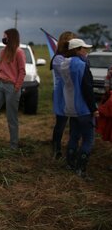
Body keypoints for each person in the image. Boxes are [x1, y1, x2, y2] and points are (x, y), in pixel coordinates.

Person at [59, 38, 98, 179]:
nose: (86, 51)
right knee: (88, 139)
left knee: (74, 136)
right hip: (83, 108)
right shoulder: (82, 65)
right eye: (83, 48)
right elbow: (87, 89)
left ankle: (70, 164)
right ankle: (81, 169)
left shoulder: (64, 64)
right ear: (77, 50)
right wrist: (93, 108)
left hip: (70, 107)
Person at [0, 28, 26, 149]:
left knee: (11, 116)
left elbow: (22, 71)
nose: (3, 38)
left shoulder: (19, 52)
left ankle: (14, 144)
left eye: (5, 36)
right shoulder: (2, 52)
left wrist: (17, 87)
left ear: (11, 38)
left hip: (12, 87)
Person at [51, 31, 77, 159]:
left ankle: (72, 149)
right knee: (61, 123)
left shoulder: (75, 58)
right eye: (69, 42)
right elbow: (67, 74)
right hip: (62, 93)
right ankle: (56, 149)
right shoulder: (58, 58)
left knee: (74, 123)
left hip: (74, 94)